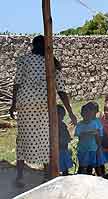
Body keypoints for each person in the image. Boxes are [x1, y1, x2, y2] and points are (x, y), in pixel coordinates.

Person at [9, 35, 77, 185]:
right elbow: (61, 89)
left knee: (23, 138)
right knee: (45, 138)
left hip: (25, 103)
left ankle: (20, 176)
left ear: (33, 46)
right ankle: (47, 175)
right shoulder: (51, 61)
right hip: (44, 103)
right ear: (47, 46)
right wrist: (70, 112)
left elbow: (17, 83)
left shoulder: (23, 60)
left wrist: (13, 104)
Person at [75, 103, 103, 176]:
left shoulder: (94, 123)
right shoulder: (80, 124)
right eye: (85, 113)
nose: (88, 115)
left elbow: (97, 135)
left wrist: (99, 147)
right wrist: (89, 133)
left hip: (93, 149)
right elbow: (79, 135)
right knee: (82, 166)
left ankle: (89, 179)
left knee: (91, 166)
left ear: (92, 114)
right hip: (83, 149)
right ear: (82, 114)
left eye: (89, 114)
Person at [57, 105, 73, 176]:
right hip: (58, 148)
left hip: (64, 147)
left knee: (64, 162)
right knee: (60, 162)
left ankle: (65, 174)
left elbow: (66, 133)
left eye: (62, 115)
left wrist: (68, 138)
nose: (62, 117)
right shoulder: (52, 125)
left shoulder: (63, 124)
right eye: (60, 115)